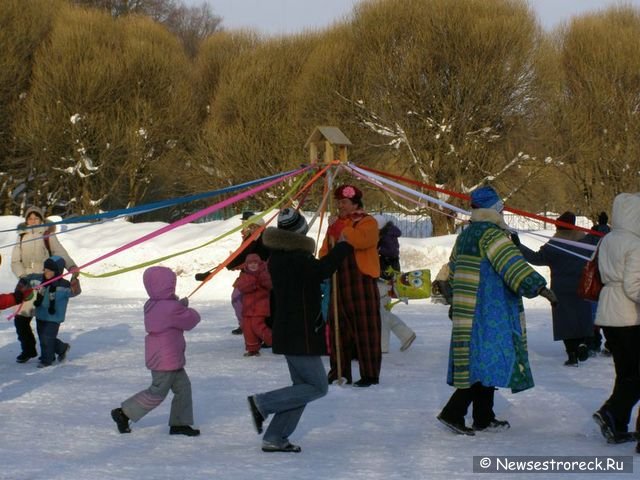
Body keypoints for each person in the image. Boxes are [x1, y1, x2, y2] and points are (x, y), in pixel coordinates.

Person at [437, 186, 557, 435]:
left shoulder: (467, 234)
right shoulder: (492, 235)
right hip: (490, 309)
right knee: (487, 361)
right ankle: (453, 412)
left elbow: (453, 266)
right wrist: (540, 288)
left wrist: (455, 300)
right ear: (494, 209)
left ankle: (483, 416)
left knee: (480, 360)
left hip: (468, 308)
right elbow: (512, 266)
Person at [247, 207, 352, 453]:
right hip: (299, 332)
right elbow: (322, 270)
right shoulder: (293, 258)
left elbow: (315, 270)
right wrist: (343, 247)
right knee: (317, 387)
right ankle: (262, 403)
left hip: (293, 330)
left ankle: (275, 437)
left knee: (301, 389)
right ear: (299, 233)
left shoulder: (282, 255)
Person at [111, 266, 201, 436]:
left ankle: (179, 423)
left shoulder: (152, 304)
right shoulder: (171, 308)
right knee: (157, 392)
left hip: (166, 357)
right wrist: (185, 309)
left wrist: (179, 305)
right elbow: (191, 320)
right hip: (166, 359)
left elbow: (170, 313)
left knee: (183, 388)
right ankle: (123, 413)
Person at [513, 211, 595, 366]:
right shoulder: (585, 242)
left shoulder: (554, 245)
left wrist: (519, 246)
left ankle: (572, 355)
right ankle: (583, 344)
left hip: (560, 289)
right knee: (581, 318)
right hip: (582, 287)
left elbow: (536, 258)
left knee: (565, 321)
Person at [320, 185, 382, 387]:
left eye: (344, 202)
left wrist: (341, 230)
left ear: (356, 203)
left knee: (366, 330)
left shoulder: (367, 222)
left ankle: (370, 374)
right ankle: (339, 372)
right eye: (338, 202)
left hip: (361, 282)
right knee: (339, 329)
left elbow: (363, 240)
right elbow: (324, 253)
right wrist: (332, 232)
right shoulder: (336, 225)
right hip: (339, 282)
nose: (340, 206)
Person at [592, 193, 640, 445]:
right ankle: (610, 412)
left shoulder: (608, 239)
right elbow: (634, 287)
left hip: (607, 311)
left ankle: (618, 426)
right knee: (636, 376)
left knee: (624, 373)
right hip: (628, 314)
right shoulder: (635, 244)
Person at [10, 206, 78, 363]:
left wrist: (72, 267)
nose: (33, 221)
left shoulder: (48, 235)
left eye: (36, 218)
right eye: (30, 218)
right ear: (26, 220)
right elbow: (15, 261)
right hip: (26, 281)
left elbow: (60, 253)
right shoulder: (21, 236)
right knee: (21, 319)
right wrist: (23, 276)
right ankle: (28, 350)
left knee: (44, 322)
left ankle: (59, 348)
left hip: (45, 281)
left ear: (41, 219)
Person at [195, 211, 269, 335]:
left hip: (260, 278)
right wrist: (230, 264)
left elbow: (254, 257)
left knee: (246, 300)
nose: (247, 227)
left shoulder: (262, 240)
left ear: (258, 226)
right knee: (239, 299)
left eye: (250, 225)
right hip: (248, 276)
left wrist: (238, 263)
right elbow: (240, 256)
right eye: (247, 225)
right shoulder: (251, 238)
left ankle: (257, 329)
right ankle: (247, 326)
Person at [373, 214, 416, 353]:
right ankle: (405, 335)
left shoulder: (386, 238)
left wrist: (376, 249)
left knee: (380, 312)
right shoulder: (389, 236)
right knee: (381, 311)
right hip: (385, 277)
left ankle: (383, 346)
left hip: (383, 279)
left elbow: (389, 253)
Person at [33, 256, 79, 368]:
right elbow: (29, 281)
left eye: (50, 270)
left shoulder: (64, 285)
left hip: (54, 317)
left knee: (47, 338)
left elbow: (75, 291)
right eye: (45, 269)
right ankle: (61, 348)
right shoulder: (40, 281)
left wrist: (74, 277)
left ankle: (47, 360)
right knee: (43, 338)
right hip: (40, 315)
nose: (46, 272)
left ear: (57, 271)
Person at [233, 253, 273, 356]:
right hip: (248, 307)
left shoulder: (264, 273)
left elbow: (269, 284)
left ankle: (274, 341)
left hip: (260, 307)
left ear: (259, 264)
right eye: (250, 263)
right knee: (247, 328)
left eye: (255, 263)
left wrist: (261, 280)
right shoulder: (245, 276)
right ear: (246, 265)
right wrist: (253, 284)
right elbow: (241, 287)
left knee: (257, 326)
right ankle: (253, 349)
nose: (253, 265)